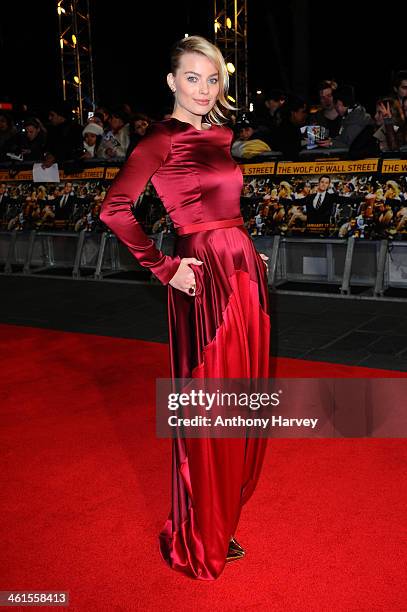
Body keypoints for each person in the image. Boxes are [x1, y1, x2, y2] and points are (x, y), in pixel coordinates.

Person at [99, 35, 270, 581]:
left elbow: (222, 207)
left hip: (241, 269)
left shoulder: (219, 134)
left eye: (213, 78)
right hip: (202, 277)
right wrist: (164, 265)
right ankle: (200, 530)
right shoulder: (160, 140)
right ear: (171, 81)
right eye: (192, 78)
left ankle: (221, 514)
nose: (203, 89)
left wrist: (244, 245)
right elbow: (114, 210)